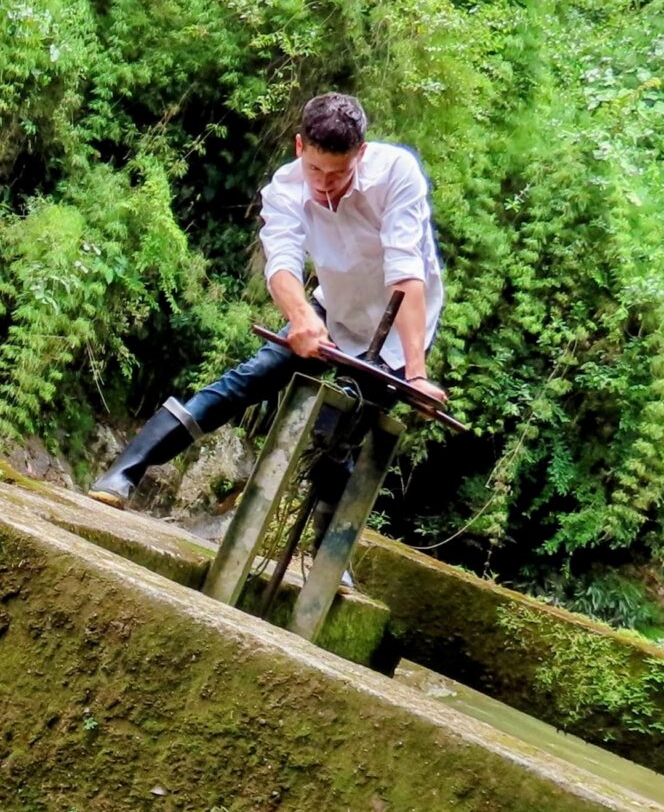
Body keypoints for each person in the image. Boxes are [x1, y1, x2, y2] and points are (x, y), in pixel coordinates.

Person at [88, 91, 445, 508]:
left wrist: (416, 374)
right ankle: (125, 471)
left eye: (338, 173)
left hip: (398, 330)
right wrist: (301, 319)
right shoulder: (285, 188)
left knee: (338, 434)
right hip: (332, 309)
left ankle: (331, 557)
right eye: (315, 168)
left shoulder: (397, 172)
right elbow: (281, 266)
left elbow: (404, 271)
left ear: (360, 154)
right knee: (253, 375)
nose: (324, 184)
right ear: (299, 147)